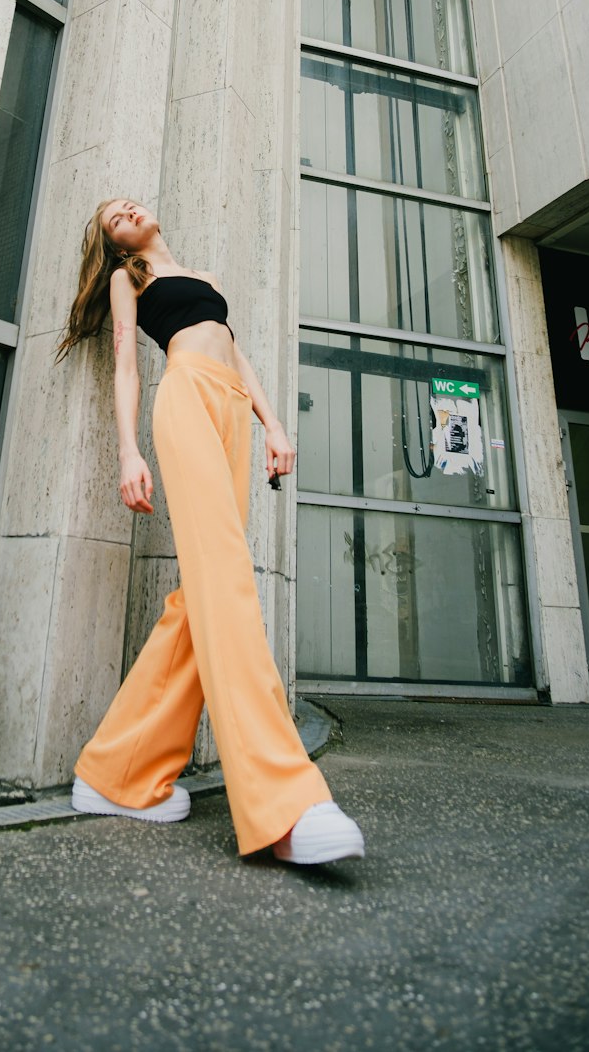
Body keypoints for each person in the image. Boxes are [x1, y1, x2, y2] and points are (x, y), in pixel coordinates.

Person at [57, 198, 364, 865]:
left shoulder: (205, 279)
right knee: (226, 587)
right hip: (187, 398)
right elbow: (127, 363)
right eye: (113, 219)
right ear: (114, 244)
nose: (127, 212)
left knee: (201, 600)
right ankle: (285, 804)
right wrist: (129, 453)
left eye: (128, 204)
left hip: (230, 406)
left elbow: (239, 355)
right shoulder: (128, 276)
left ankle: (118, 775)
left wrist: (273, 424)